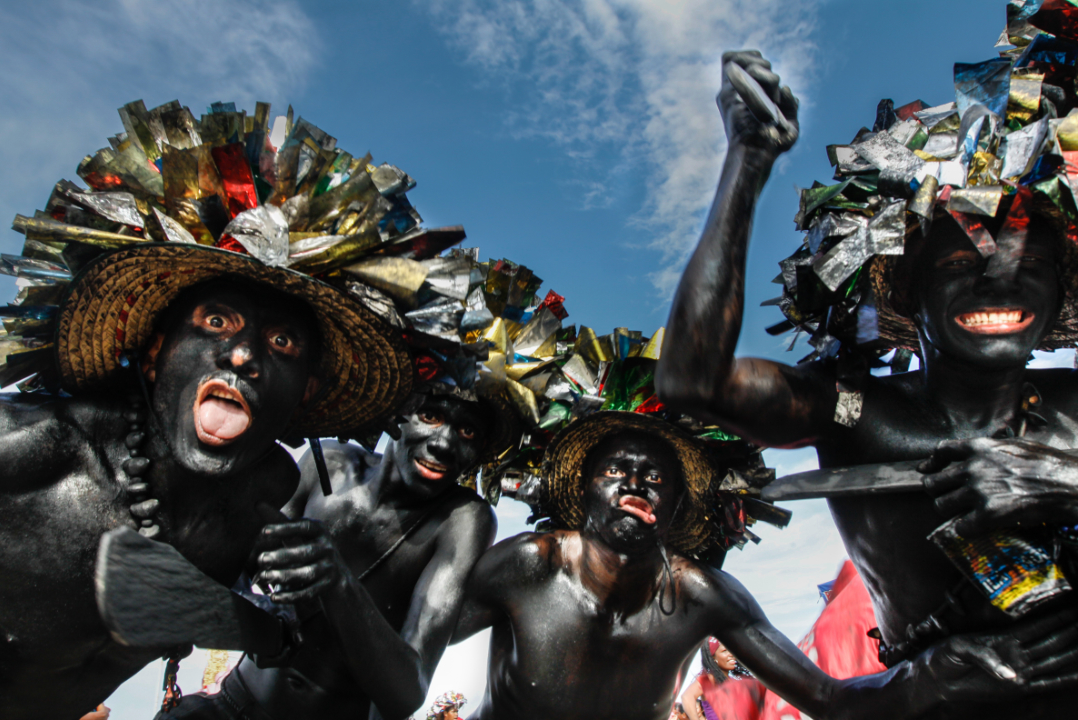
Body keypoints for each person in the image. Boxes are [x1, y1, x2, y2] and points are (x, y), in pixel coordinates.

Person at [656, 21, 1078, 720]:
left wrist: (1063, 482)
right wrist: (748, 163)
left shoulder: (1072, 404)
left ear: (1061, 292)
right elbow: (693, 380)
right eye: (959, 264)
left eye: (1030, 266)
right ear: (909, 294)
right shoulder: (857, 413)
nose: (999, 285)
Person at [0, 98, 423, 719]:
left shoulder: (261, 495)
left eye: (281, 343)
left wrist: (307, 596)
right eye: (216, 321)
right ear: (154, 354)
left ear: (303, 392)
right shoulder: (30, 452)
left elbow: (389, 689)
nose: (244, 356)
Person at [452, 408, 1078, 720]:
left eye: (656, 476)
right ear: (582, 492)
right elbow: (414, 643)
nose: (636, 481)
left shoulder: (703, 595)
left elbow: (829, 700)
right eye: (615, 471)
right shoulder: (529, 565)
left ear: (675, 508)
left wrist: (927, 677)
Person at [157, 252, 554, 720]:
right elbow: (243, 568)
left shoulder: (462, 519)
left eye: (468, 432)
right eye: (430, 415)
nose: (444, 443)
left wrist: (337, 583)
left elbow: (407, 693)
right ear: (397, 415)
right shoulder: (330, 462)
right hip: (235, 704)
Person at [680, 639, 740, 720]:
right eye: (724, 651)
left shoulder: (735, 682)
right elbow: (687, 697)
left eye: (731, 650)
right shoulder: (710, 679)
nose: (731, 654)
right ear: (713, 657)